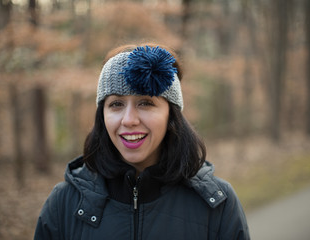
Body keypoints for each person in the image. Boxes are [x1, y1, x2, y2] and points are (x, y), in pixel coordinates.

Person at [34, 43, 250, 240]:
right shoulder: (63, 204)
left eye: (145, 103)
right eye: (116, 104)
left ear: (171, 115)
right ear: (102, 115)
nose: (129, 120)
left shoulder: (217, 204)